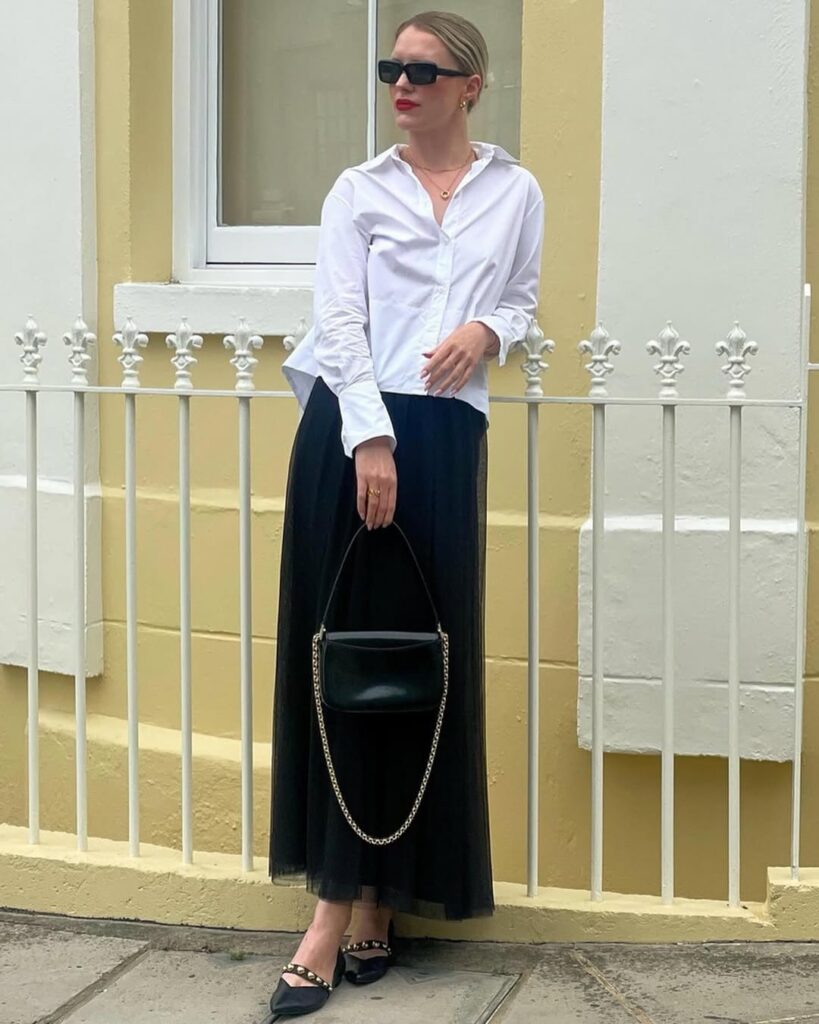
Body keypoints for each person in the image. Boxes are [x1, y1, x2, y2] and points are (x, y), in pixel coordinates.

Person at [267, 9, 545, 1017]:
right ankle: (331, 917)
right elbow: (339, 317)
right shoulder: (360, 191)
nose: (402, 84)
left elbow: (520, 297)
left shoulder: (515, 190)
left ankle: (385, 895)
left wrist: (486, 325)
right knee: (343, 661)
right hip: (356, 437)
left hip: (447, 441)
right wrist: (370, 437)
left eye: (423, 71)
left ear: (471, 85)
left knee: (418, 665)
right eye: (393, 68)